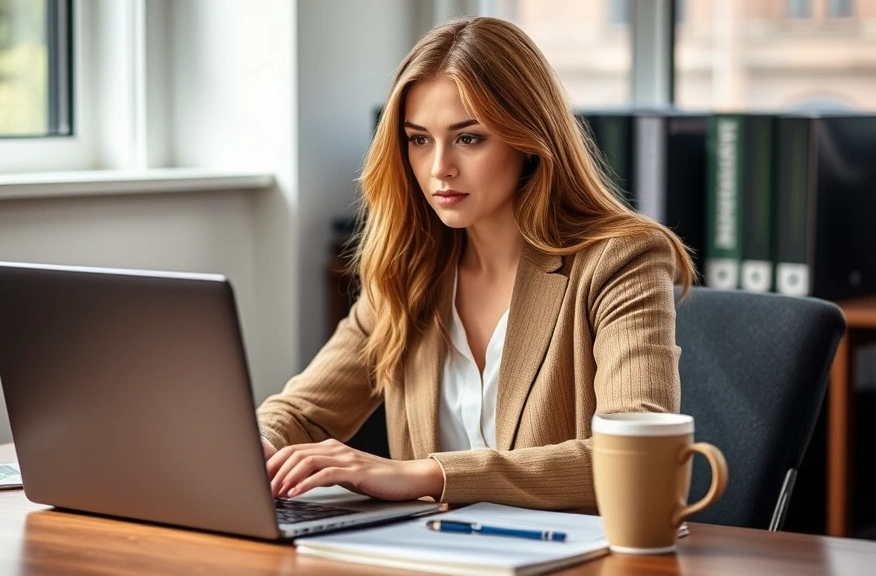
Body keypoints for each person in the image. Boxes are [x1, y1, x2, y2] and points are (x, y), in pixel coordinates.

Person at [256, 16, 696, 513]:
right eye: (418, 139)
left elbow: (637, 459)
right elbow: (302, 412)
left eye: (469, 138)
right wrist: (256, 446)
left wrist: (427, 473)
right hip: (432, 554)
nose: (439, 166)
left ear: (527, 140)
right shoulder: (409, 271)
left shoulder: (621, 261)